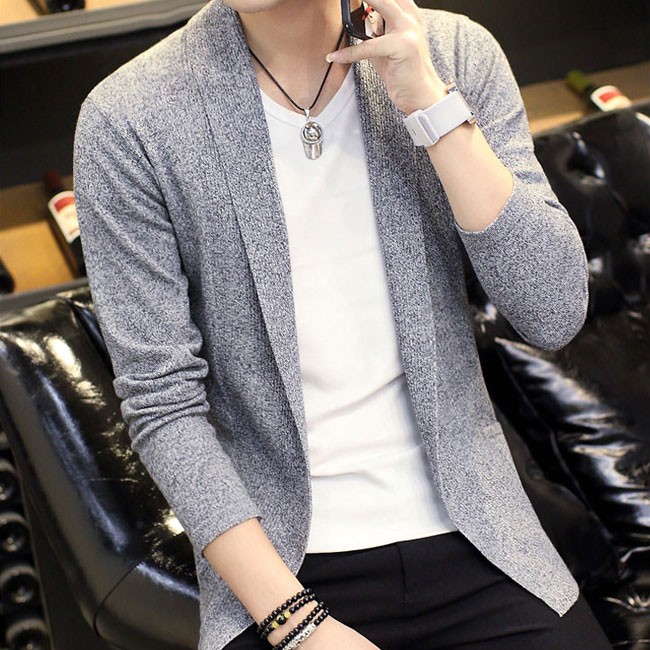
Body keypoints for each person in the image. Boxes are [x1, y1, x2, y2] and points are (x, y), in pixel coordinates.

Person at [72, 1, 614, 648]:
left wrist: (430, 104)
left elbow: (552, 312)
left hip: (480, 538)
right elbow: (163, 405)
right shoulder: (130, 118)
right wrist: (296, 624)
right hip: (283, 570)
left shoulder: (452, 52)